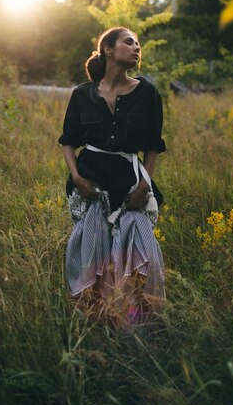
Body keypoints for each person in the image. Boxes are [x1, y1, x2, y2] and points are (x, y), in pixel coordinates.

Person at [58, 26, 166, 327]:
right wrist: (77, 178)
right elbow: (68, 140)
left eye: (138, 44)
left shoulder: (147, 93)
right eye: (129, 42)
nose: (136, 48)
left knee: (143, 255)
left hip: (131, 184)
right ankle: (97, 323)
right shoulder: (82, 94)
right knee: (91, 256)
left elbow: (153, 146)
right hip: (91, 184)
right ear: (108, 49)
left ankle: (139, 325)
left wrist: (146, 186)